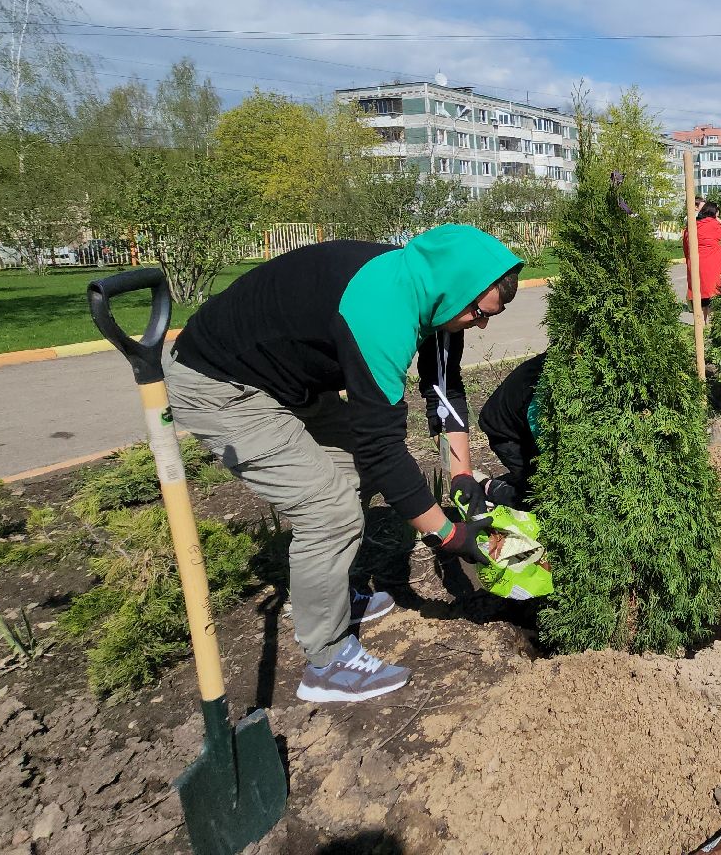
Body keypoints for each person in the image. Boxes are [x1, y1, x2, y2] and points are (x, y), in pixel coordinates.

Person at [164, 224, 522, 703]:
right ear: (457, 291)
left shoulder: (432, 295)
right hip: (221, 383)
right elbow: (383, 445)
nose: (481, 325)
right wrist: (451, 536)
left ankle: (326, 594)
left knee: (357, 470)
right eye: (479, 313)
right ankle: (326, 663)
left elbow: (445, 390)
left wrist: (460, 473)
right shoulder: (381, 310)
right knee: (329, 509)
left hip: (285, 378)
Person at [476, 351, 546, 506]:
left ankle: (517, 481)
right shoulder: (547, 385)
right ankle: (491, 490)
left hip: (524, 419)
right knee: (539, 496)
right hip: (506, 433)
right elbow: (542, 432)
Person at [685, 198, 721, 314]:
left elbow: (686, 245)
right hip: (713, 265)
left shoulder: (692, 226)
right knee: (714, 292)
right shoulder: (716, 226)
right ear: (714, 213)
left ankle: (701, 322)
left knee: (699, 293)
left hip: (695, 265)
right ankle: (708, 322)